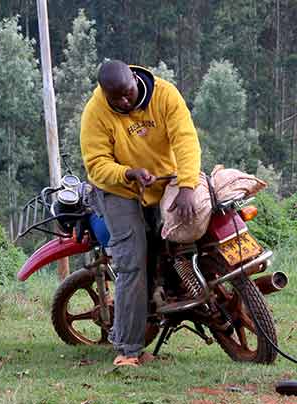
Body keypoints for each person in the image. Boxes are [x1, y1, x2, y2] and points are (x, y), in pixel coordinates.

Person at [80, 60, 201, 367]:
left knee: (187, 237)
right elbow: (96, 165)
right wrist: (128, 173)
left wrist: (187, 185)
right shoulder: (96, 111)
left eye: (127, 93)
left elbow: (185, 140)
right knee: (132, 258)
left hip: (164, 180)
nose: (123, 101)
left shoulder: (165, 95)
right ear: (104, 94)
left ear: (135, 79)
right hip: (118, 189)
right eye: (115, 98)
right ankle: (128, 349)